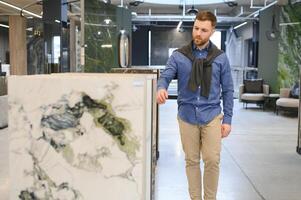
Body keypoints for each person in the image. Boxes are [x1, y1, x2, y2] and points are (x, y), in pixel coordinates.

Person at [157, 11, 234, 200]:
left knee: (212, 160)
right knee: (191, 161)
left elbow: (228, 90)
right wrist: (161, 88)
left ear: (212, 31)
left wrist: (228, 119)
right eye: (196, 28)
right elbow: (166, 75)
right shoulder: (179, 56)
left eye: (204, 30)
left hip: (212, 115)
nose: (198, 33)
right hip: (187, 116)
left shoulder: (220, 58)